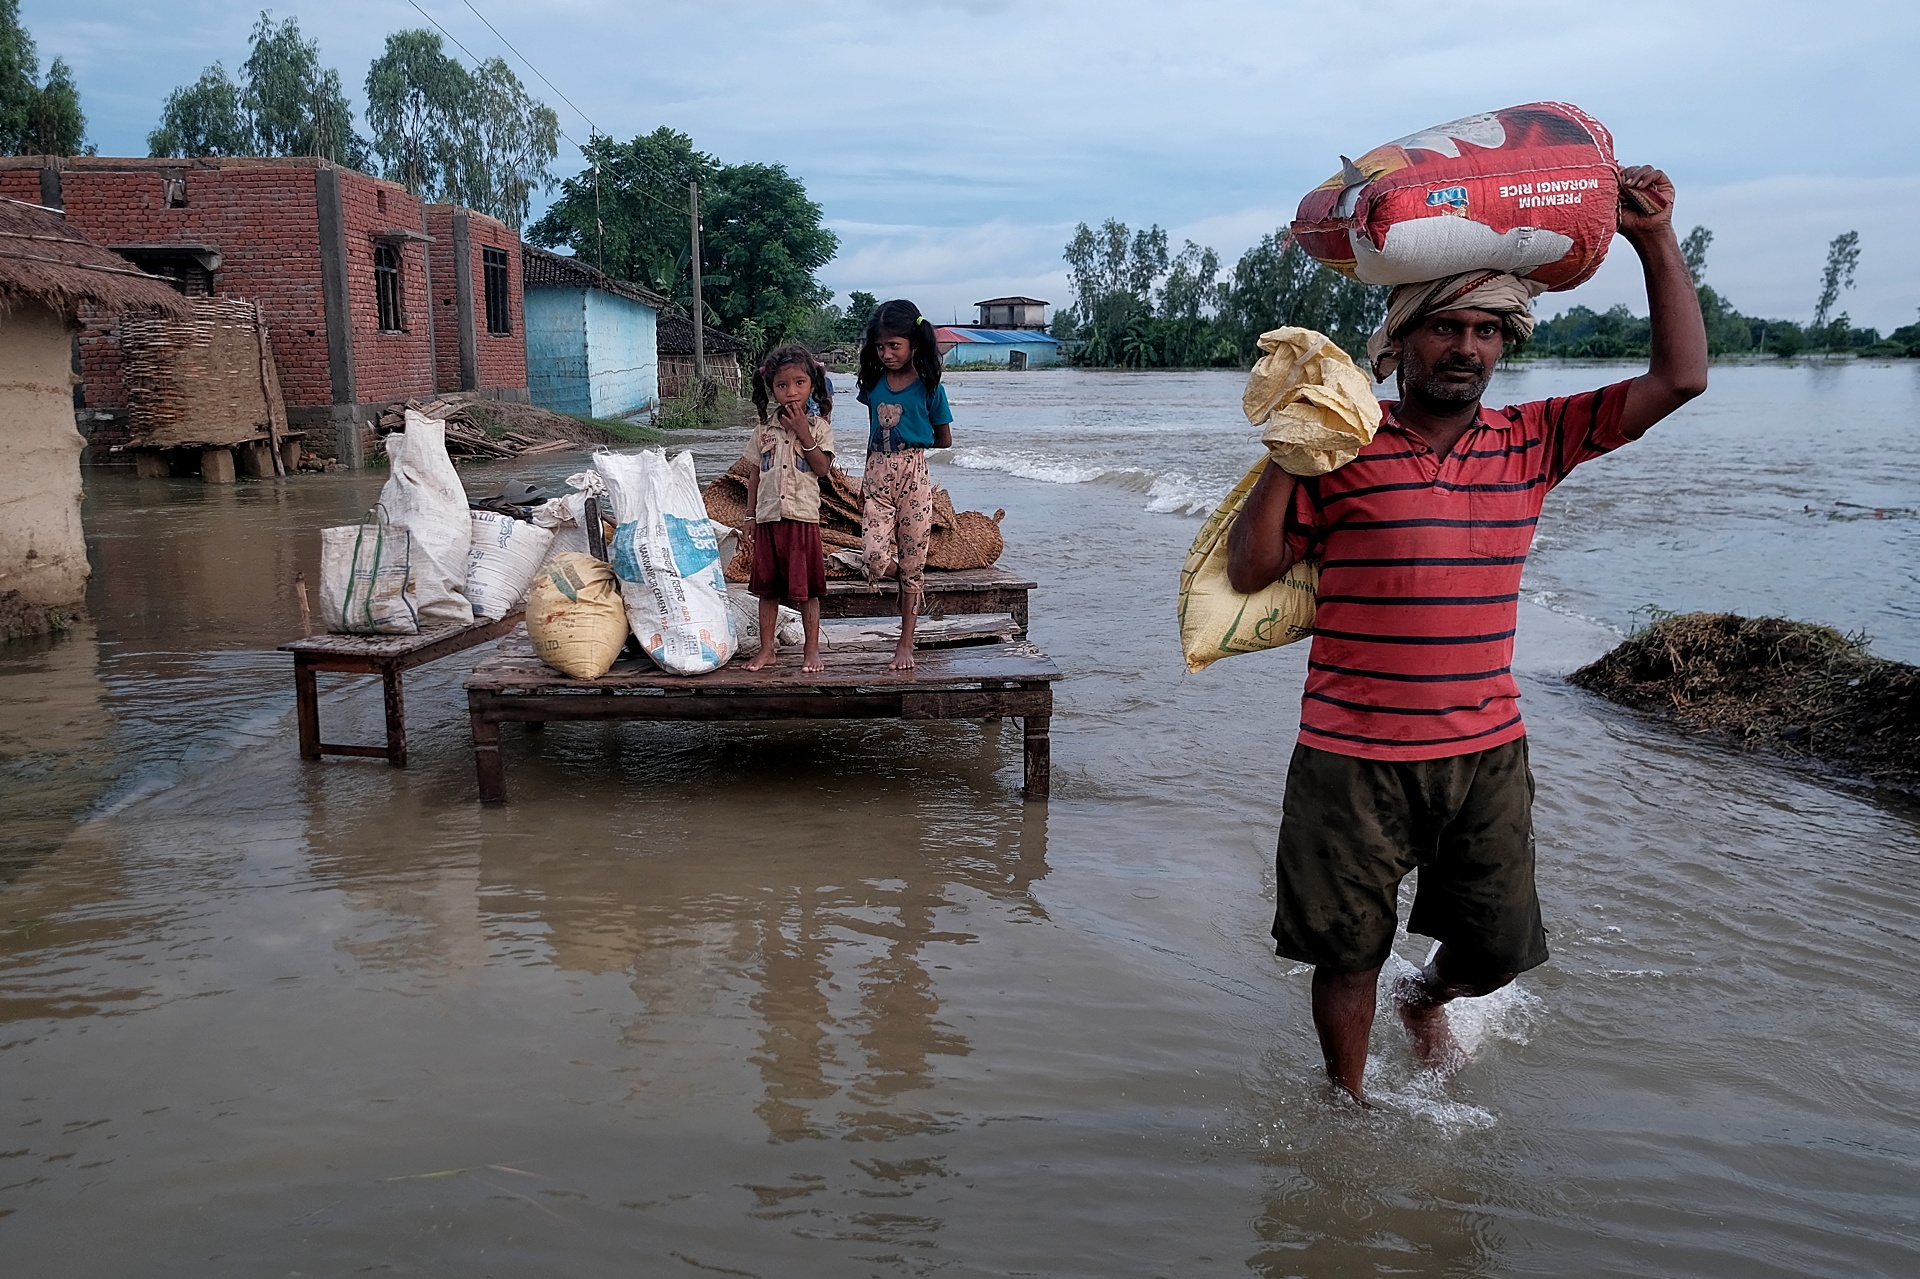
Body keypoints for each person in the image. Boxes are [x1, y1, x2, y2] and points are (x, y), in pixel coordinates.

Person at [1226, 166, 1708, 1105]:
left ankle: (1428, 997)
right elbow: (1250, 570)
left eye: (1487, 330)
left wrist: (1654, 239)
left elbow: (1680, 377)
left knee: (1496, 946)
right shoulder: (1340, 446)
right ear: (1401, 340)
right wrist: (1288, 444)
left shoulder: (1535, 440)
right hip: (1348, 752)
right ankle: (1348, 1104)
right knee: (1344, 948)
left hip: (1484, 748)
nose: (1467, 346)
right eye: (1446, 325)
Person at [855, 299, 953, 671]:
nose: (886, 353)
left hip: (914, 476)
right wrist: (866, 479)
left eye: (894, 345)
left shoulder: (929, 388)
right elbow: (872, 433)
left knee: (913, 565)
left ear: (914, 343)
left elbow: (944, 439)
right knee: (874, 558)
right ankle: (906, 580)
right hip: (876, 475)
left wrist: (912, 436)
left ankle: (905, 643)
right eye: (880, 347)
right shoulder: (875, 385)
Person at [742, 343, 835, 674]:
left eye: (799, 383)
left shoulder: (819, 427)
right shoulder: (763, 431)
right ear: (772, 389)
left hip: (802, 519)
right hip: (768, 519)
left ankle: (811, 651)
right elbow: (754, 475)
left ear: (812, 384)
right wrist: (749, 517)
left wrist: (803, 432)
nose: (791, 392)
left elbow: (822, 469)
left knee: (807, 592)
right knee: (767, 590)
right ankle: (767, 650)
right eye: (782, 385)